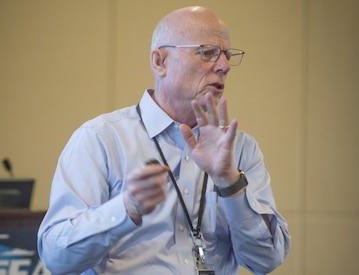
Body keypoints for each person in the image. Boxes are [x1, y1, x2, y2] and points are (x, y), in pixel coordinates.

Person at [38, 6, 291, 275]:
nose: (224, 66)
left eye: (227, 55)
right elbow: (56, 257)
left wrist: (231, 183)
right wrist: (126, 209)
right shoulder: (100, 139)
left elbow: (266, 261)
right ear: (160, 62)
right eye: (207, 53)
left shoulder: (240, 150)